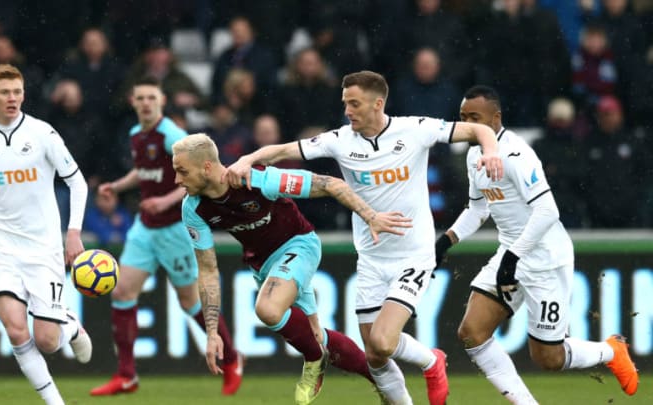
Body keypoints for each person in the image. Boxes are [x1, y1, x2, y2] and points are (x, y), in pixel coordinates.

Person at [225, 70, 505, 405]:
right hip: (371, 260)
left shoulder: (415, 129)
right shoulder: (340, 140)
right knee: (374, 357)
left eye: (354, 104)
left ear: (378, 103)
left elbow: (478, 129)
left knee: (384, 342)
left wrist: (491, 151)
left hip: (412, 255)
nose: (348, 111)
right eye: (345, 103)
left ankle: (432, 361)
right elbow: (283, 150)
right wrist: (247, 160)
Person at [173, 133, 412, 405]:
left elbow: (329, 184)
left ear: (206, 167)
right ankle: (384, 382)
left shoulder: (258, 180)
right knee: (316, 335)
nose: (177, 180)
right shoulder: (193, 208)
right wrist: (213, 332)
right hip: (263, 265)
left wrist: (372, 216)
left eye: (182, 171)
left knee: (268, 309)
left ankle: (313, 359)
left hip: (299, 245)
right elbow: (207, 270)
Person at [435, 85, 639, 404]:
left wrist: (513, 255)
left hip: (545, 258)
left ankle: (610, 350)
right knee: (471, 332)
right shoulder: (475, 154)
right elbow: (478, 208)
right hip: (512, 253)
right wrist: (447, 240)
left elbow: (548, 211)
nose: (468, 124)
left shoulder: (516, 154)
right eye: (463, 118)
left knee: (548, 358)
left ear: (495, 118)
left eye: (475, 117)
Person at [90, 76, 243, 396]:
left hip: (175, 229)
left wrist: (166, 200)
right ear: (133, 102)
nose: (146, 103)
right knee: (121, 293)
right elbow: (145, 173)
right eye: (140, 98)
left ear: (160, 101)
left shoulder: (172, 135)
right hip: (145, 227)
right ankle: (127, 374)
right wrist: (117, 186)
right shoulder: (135, 134)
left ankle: (231, 359)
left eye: (151, 98)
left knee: (189, 301)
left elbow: (197, 177)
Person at [0, 64, 91, 405]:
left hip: (44, 247)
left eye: (17, 92)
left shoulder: (43, 134)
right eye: (5, 92)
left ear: (24, 95)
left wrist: (73, 233)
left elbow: (77, 182)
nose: (12, 98)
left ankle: (70, 327)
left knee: (46, 340)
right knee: (16, 330)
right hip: (3, 245)